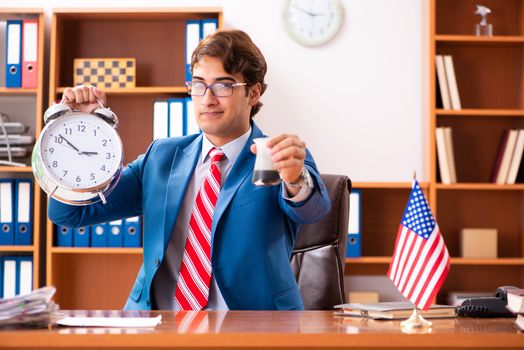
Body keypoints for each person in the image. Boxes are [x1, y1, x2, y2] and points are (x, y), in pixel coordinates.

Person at [48, 29, 331, 310]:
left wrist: (294, 179)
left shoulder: (278, 156)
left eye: (224, 85)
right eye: (198, 85)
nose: (208, 99)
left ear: (253, 93)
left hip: (251, 327)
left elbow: (313, 210)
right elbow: (70, 214)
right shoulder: (161, 157)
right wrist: (77, 133)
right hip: (159, 327)